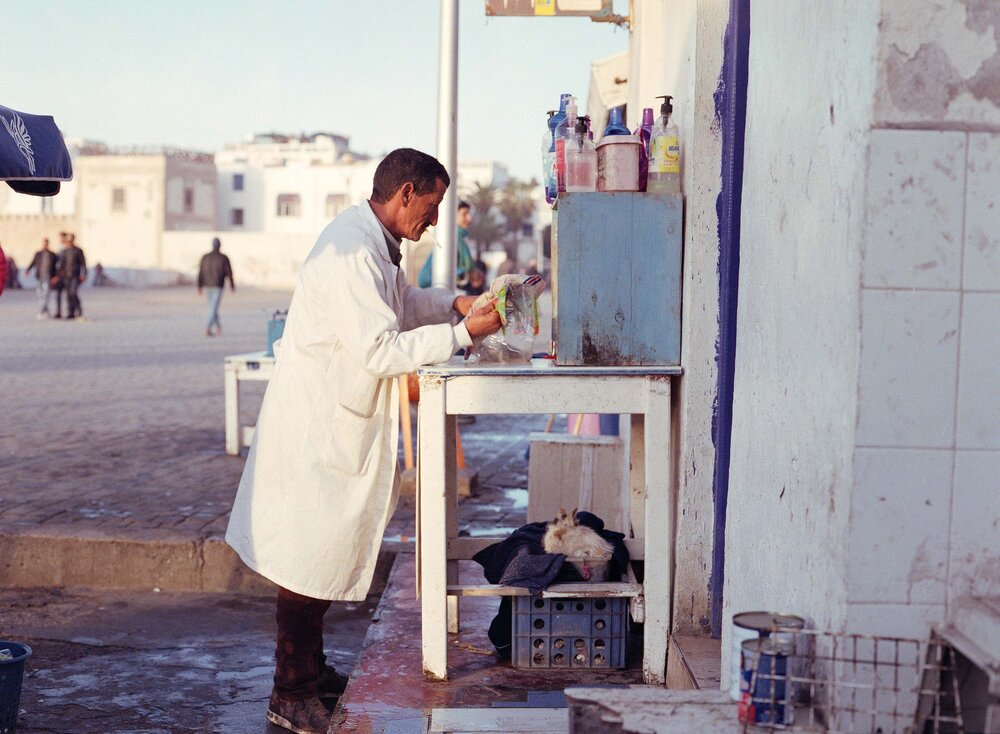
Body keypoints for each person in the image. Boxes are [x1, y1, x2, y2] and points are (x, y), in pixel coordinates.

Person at [225, 148, 502, 734]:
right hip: (317, 427)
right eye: (431, 207)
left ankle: (310, 670)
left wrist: (454, 304)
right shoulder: (352, 250)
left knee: (319, 555)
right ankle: (289, 690)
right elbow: (380, 349)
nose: (433, 221)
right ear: (405, 193)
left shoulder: (373, 242)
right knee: (307, 560)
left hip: (330, 422)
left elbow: (399, 306)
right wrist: (461, 335)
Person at [417, 199, 474, 291]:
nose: (469, 218)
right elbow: (425, 278)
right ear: (453, 215)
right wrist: (464, 274)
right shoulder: (449, 240)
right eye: (464, 214)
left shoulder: (460, 240)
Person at [197, 237, 235, 337]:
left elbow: (200, 272)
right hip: (218, 286)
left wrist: (199, 286)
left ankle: (217, 327)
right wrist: (232, 285)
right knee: (213, 308)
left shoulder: (205, 257)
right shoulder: (223, 257)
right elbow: (229, 273)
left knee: (212, 308)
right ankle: (208, 328)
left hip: (207, 285)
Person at [25, 238, 60, 319]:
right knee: (40, 294)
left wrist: (55, 276)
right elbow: (33, 262)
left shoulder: (53, 255)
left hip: (48, 278)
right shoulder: (38, 254)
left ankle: (41, 311)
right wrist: (28, 270)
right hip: (39, 277)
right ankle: (46, 310)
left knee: (45, 294)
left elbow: (56, 267)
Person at [55, 233, 87, 320]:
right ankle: (71, 312)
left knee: (73, 292)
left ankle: (78, 309)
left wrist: (83, 274)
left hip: (75, 275)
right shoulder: (64, 251)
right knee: (68, 294)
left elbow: (83, 263)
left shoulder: (78, 251)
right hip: (66, 276)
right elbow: (61, 264)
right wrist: (58, 275)